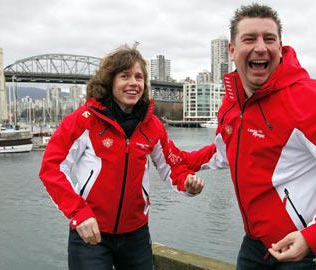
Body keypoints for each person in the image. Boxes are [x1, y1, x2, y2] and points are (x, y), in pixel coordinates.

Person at [197, 3, 316, 269]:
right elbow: (222, 151)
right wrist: (176, 161)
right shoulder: (233, 102)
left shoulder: (313, 99)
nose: (261, 47)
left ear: (280, 46)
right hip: (255, 245)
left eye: (269, 38)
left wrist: (314, 236)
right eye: (249, 38)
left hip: (308, 252)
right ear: (232, 50)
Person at [39, 45, 213, 270]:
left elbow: (172, 166)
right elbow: (51, 168)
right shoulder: (83, 120)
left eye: (139, 77)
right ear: (109, 81)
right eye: (125, 76)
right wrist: (78, 214)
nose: (134, 83)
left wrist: (188, 184)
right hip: (90, 232)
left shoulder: (152, 126)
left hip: (136, 235)